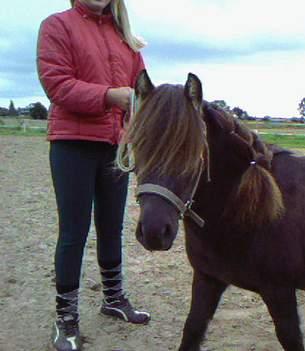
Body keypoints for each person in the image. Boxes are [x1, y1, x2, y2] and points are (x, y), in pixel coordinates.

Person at [37, 1, 150, 350]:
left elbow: (141, 90)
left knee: (111, 226)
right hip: (72, 145)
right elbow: (57, 85)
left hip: (114, 146)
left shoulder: (124, 37)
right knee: (73, 232)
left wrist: (137, 123)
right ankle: (66, 319)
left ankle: (113, 298)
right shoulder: (58, 25)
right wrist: (108, 96)